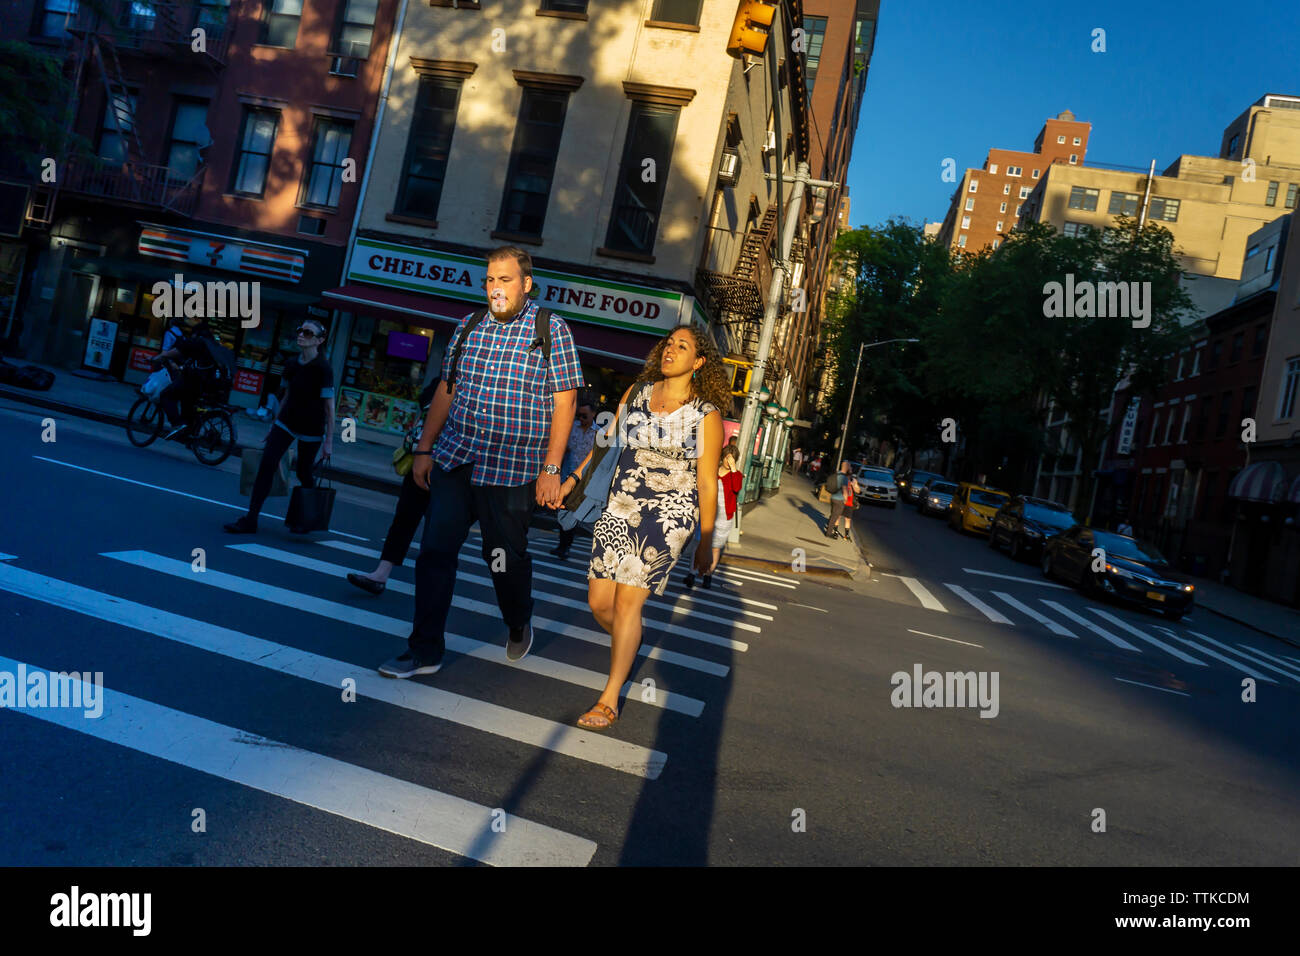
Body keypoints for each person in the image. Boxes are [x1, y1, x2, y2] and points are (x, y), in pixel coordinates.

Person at [378, 246, 584, 678]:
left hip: (514, 470)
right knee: (435, 552)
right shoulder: (468, 326)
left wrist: (551, 469)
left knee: (503, 557)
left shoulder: (551, 329)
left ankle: (516, 617)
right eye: (490, 279)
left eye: (504, 280)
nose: (495, 288)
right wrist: (424, 447)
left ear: (526, 284)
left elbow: (565, 403)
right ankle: (424, 650)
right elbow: (446, 390)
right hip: (456, 458)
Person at [559, 327, 726, 731]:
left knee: (629, 603)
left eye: (682, 347)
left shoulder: (707, 415)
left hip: (670, 512)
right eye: (669, 344)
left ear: (699, 362)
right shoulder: (637, 392)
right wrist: (572, 480)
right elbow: (606, 442)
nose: (671, 350)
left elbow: (706, 483)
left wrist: (706, 540)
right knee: (600, 603)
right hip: (622, 501)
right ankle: (629, 641)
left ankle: (609, 697)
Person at [224, 317, 335, 534]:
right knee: (267, 464)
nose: (302, 335)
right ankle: (251, 519)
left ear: (320, 340)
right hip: (286, 422)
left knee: (304, 472)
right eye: (300, 331)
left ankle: (306, 518)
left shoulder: (323, 368)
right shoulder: (292, 364)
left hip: (312, 428)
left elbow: (329, 408)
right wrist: (273, 425)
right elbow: (286, 395)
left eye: (309, 333)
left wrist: (329, 441)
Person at [345, 377, 441, 594]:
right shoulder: (440, 379)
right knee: (404, 518)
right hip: (421, 460)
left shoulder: (473, 381)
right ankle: (381, 574)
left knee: (437, 528)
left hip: (448, 466)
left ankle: (431, 585)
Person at [684, 439, 742, 589]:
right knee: (699, 544)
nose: (729, 462)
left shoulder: (736, 476)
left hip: (724, 518)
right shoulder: (712, 472)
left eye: (732, 459)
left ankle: (708, 576)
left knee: (715, 548)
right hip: (707, 513)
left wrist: (734, 468)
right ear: (722, 457)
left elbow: (737, 488)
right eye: (727, 458)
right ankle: (691, 574)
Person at [151, 318, 219, 440]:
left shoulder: (196, 341)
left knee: (166, 395)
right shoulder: (214, 345)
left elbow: (174, 352)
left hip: (193, 380)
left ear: (196, 333)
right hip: (207, 384)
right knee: (188, 404)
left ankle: (177, 425)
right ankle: (188, 436)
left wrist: (159, 357)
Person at [551, 396, 599, 560]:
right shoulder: (572, 428)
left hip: (584, 482)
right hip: (566, 477)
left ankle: (566, 546)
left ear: (594, 414)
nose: (581, 418)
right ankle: (563, 546)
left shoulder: (600, 434)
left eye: (584, 415)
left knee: (575, 514)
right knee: (564, 512)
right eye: (579, 415)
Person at [825, 460, 860, 540]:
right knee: (838, 517)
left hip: (849, 502)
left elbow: (858, 491)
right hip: (842, 500)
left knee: (848, 519)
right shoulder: (842, 477)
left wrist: (854, 485)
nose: (850, 469)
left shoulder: (853, 480)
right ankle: (835, 531)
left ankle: (846, 535)